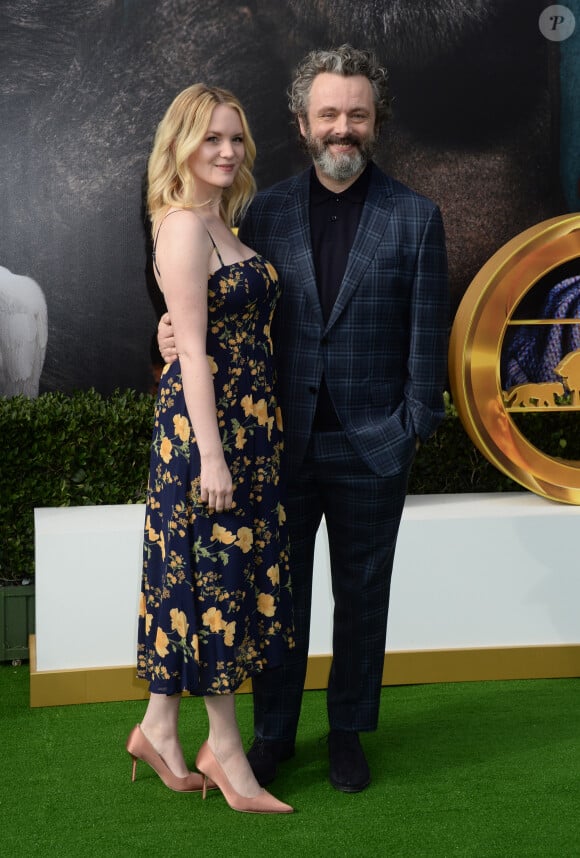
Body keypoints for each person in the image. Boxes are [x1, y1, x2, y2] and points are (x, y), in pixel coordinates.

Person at [158, 45, 449, 794]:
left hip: (374, 446)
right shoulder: (262, 209)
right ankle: (273, 736)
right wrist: (168, 333)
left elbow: (429, 337)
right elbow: (212, 299)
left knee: (362, 598)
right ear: (302, 122)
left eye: (356, 114)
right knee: (271, 599)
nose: (342, 127)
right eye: (329, 114)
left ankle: (348, 733)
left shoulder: (415, 218)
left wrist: (414, 420)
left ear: (374, 121)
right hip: (272, 444)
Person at [127, 83, 294, 814]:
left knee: (210, 580)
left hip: (247, 431)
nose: (227, 152)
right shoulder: (185, 228)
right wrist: (213, 456)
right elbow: (191, 351)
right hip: (209, 434)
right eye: (211, 140)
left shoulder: (220, 220)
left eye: (235, 139)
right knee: (216, 584)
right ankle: (225, 754)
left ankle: (161, 727)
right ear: (182, 146)